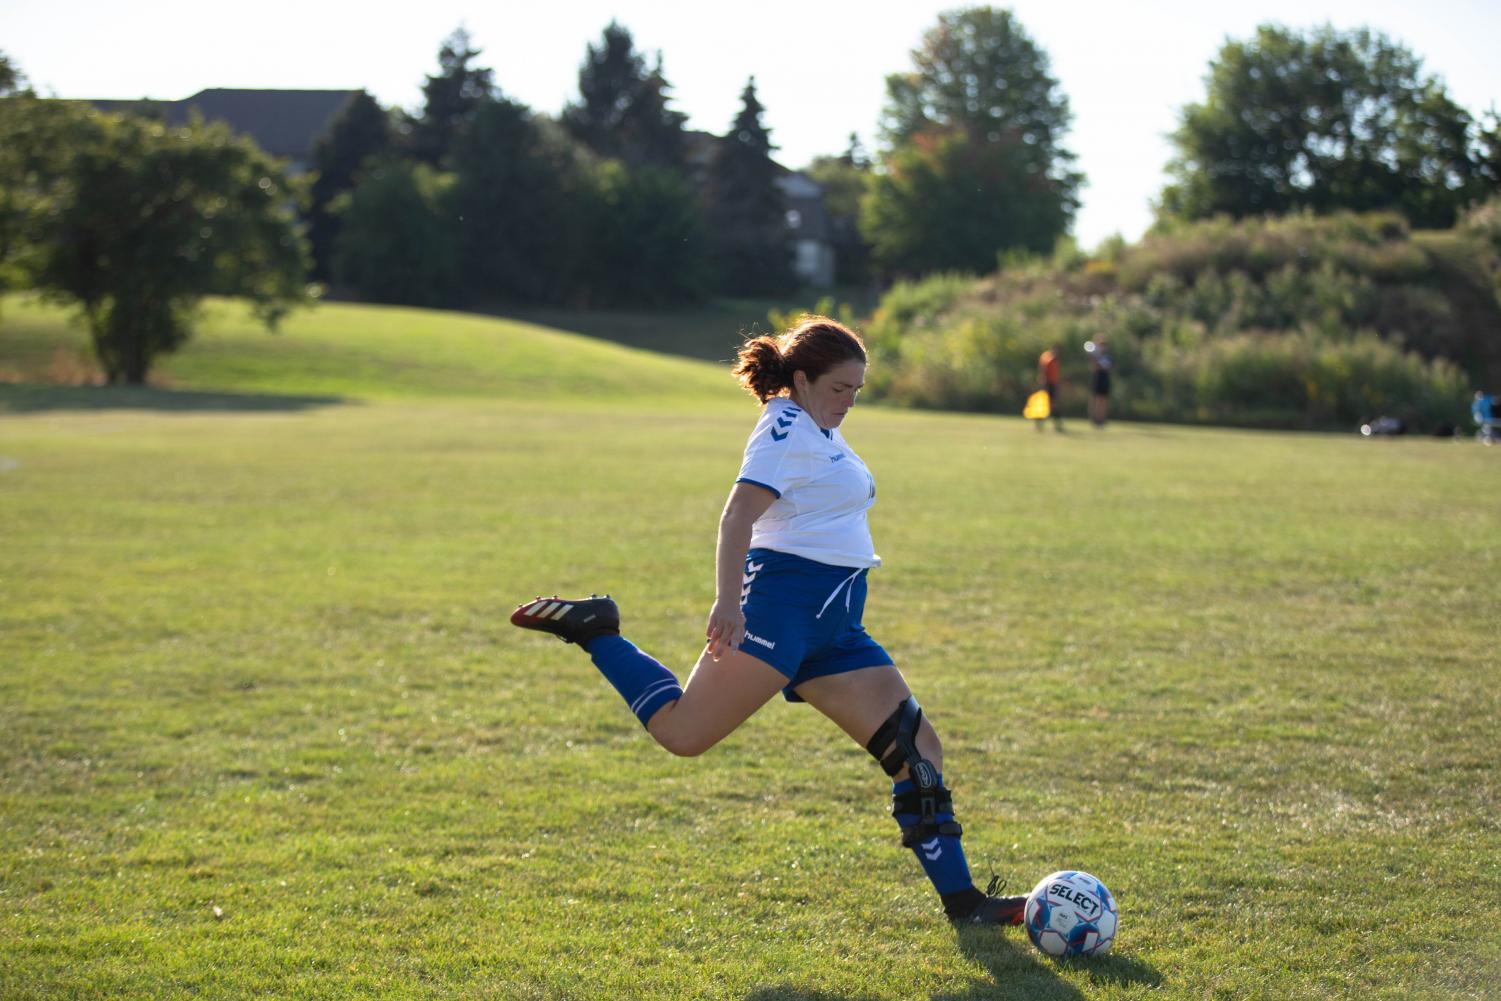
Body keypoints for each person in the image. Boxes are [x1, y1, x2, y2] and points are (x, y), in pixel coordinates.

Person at [511, 316, 1028, 926]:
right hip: (780, 610)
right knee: (683, 734)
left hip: (834, 625)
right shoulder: (785, 424)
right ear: (803, 380)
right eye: (840, 388)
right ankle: (596, 629)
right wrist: (728, 602)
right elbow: (737, 518)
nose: (850, 401)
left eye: (858, 391)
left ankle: (964, 903)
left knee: (917, 751)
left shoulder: (820, 427)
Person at [1035, 344, 1064, 432]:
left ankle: (1056, 424)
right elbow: (1043, 371)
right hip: (1048, 384)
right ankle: (1040, 423)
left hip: (1053, 384)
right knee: (1046, 404)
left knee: (1053, 405)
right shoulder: (1048, 358)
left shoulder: (1055, 359)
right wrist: (1043, 384)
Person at [1087, 339, 1113, 428]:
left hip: (1104, 379)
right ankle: (1095, 420)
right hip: (1097, 378)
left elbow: (1107, 367)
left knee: (1103, 401)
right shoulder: (1095, 356)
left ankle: (1102, 420)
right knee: (1095, 400)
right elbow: (1093, 368)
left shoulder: (1107, 356)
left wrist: (1098, 362)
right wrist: (1095, 359)